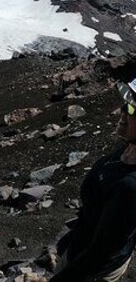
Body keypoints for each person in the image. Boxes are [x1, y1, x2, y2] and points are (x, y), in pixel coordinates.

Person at [50, 76, 136, 282]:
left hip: (91, 271)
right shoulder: (127, 151)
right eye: (126, 101)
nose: (124, 111)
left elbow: (102, 249)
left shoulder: (131, 185)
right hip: (79, 251)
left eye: (132, 107)